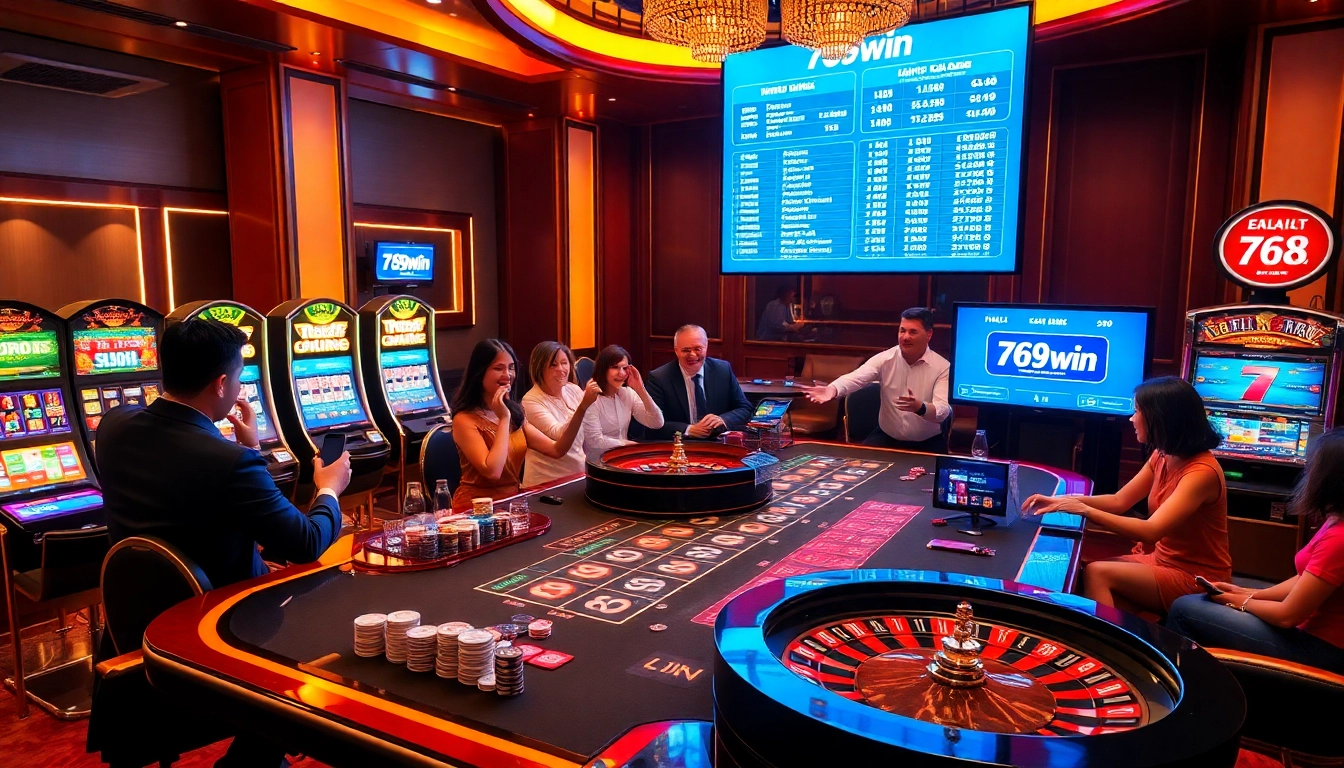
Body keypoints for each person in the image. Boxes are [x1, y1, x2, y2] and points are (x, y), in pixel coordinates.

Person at [95, 318, 352, 768]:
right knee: (332, 621)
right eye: (237, 379)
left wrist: (248, 451)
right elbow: (305, 542)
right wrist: (328, 488)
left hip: (134, 620)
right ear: (220, 384)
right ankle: (255, 756)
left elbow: (195, 486)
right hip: (218, 631)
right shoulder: (227, 462)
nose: (238, 389)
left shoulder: (114, 427)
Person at [1022, 377, 1231, 615]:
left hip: (1195, 577)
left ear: (1160, 419)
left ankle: (1106, 646)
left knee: (1097, 573)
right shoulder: (1163, 454)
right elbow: (1119, 501)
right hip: (1160, 559)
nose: (1131, 418)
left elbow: (1151, 530)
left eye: (1137, 411)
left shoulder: (1201, 473)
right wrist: (1060, 502)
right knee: (1079, 579)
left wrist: (1085, 510)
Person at [1164, 429, 1344, 672]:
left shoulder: (1339, 539)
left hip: (1318, 651)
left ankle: (1192, 696)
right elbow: (1304, 579)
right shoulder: (1336, 520)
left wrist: (1236, 601)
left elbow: (1287, 615)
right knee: (1202, 603)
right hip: (1307, 634)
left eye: (1314, 466)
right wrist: (1244, 591)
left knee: (1185, 609)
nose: (1308, 471)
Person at [450, 339, 597, 506]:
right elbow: (493, 472)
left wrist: (582, 408)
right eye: (498, 368)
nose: (507, 375)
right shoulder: (464, 419)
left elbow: (557, 450)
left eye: (511, 367)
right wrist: (504, 418)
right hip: (476, 509)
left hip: (513, 503)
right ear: (479, 373)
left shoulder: (515, 413)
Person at [800, 307, 951, 453]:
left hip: (927, 443)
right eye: (902, 330)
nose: (905, 337)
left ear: (929, 334)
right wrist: (832, 389)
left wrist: (921, 408)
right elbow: (856, 377)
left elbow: (943, 411)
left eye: (913, 332)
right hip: (887, 437)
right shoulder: (885, 359)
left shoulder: (942, 367)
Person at [645, 325, 752, 440]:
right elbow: (652, 424)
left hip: (718, 442)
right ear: (676, 350)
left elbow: (745, 408)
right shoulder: (659, 378)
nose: (692, 355)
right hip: (680, 446)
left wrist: (722, 419)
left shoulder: (722, 370)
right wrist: (688, 430)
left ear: (706, 347)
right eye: (686, 350)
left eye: (697, 349)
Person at [521, 341, 595, 488]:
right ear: (539, 368)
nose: (561, 369)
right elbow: (559, 435)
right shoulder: (530, 401)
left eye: (564, 363)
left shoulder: (573, 390)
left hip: (578, 476)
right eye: (553, 365)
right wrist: (582, 407)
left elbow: (590, 431)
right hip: (546, 484)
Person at [583, 344, 664, 451]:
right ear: (603, 369)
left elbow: (656, 423)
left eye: (624, 368)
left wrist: (640, 389)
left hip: (622, 455)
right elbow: (594, 442)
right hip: (597, 461)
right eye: (615, 367)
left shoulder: (627, 393)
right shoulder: (590, 397)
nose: (621, 373)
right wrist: (627, 445)